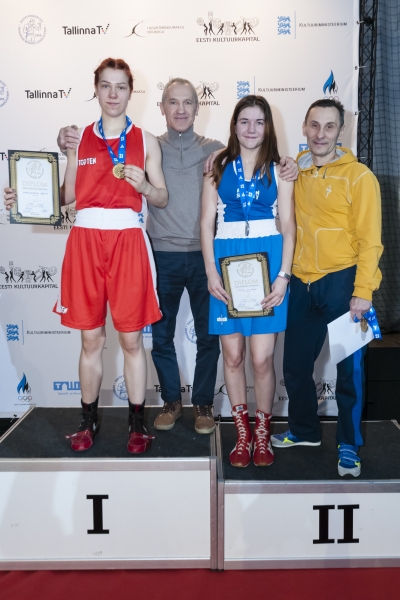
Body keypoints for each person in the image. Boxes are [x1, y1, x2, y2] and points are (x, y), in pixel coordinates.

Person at [56, 78, 298, 436]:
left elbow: (257, 157)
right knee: (161, 336)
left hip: (208, 257)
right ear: (162, 108)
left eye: (188, 103)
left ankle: (203, 404)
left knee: (209, 338)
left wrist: (289, 163)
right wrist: (67, 145)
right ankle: (171, 401)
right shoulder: (146, 145)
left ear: (198, 108)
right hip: (160, 253)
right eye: (173, 102)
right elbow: (92, 168)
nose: (181, 109)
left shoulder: (217, 152)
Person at [5, 57, 168, 454]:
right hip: (85, 240)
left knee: (131, 341)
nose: (113, 94)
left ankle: (137, 423)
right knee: (91, 339)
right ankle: (87, 419)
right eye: (106, 86)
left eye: (121, 86)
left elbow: (162, 197)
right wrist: (26, 198)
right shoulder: (77, 139)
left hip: (128, 241)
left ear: (131, 92)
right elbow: (67, 195)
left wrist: (146, 187)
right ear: (95, 89)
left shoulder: (146, 140)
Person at [271, 99, 383, 477]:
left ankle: (349, 444)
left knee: (349, 373)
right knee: (294, 367)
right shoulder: (295, 171)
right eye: (314, 126)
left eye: (329, 127)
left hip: (343, 284)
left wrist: (363, 291)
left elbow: (371, 241)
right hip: (302, 284)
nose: (321, 134)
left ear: (340, 131)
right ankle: (305, 430)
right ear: (304, 128)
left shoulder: (359, 177)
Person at [201, 95, 295, 467]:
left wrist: (283, 277)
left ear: (267, 126)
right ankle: (242, 434)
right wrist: (210, 271)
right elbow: (206, 223)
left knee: (261, 358)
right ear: (234, 125)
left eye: (259, 121)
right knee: (233, 355)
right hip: (226, 261)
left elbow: (289, 227)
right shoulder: (218, 165)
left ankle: (262, 433)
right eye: (244, 121)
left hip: (267, 262)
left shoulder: (281, 168)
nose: (251, 129)